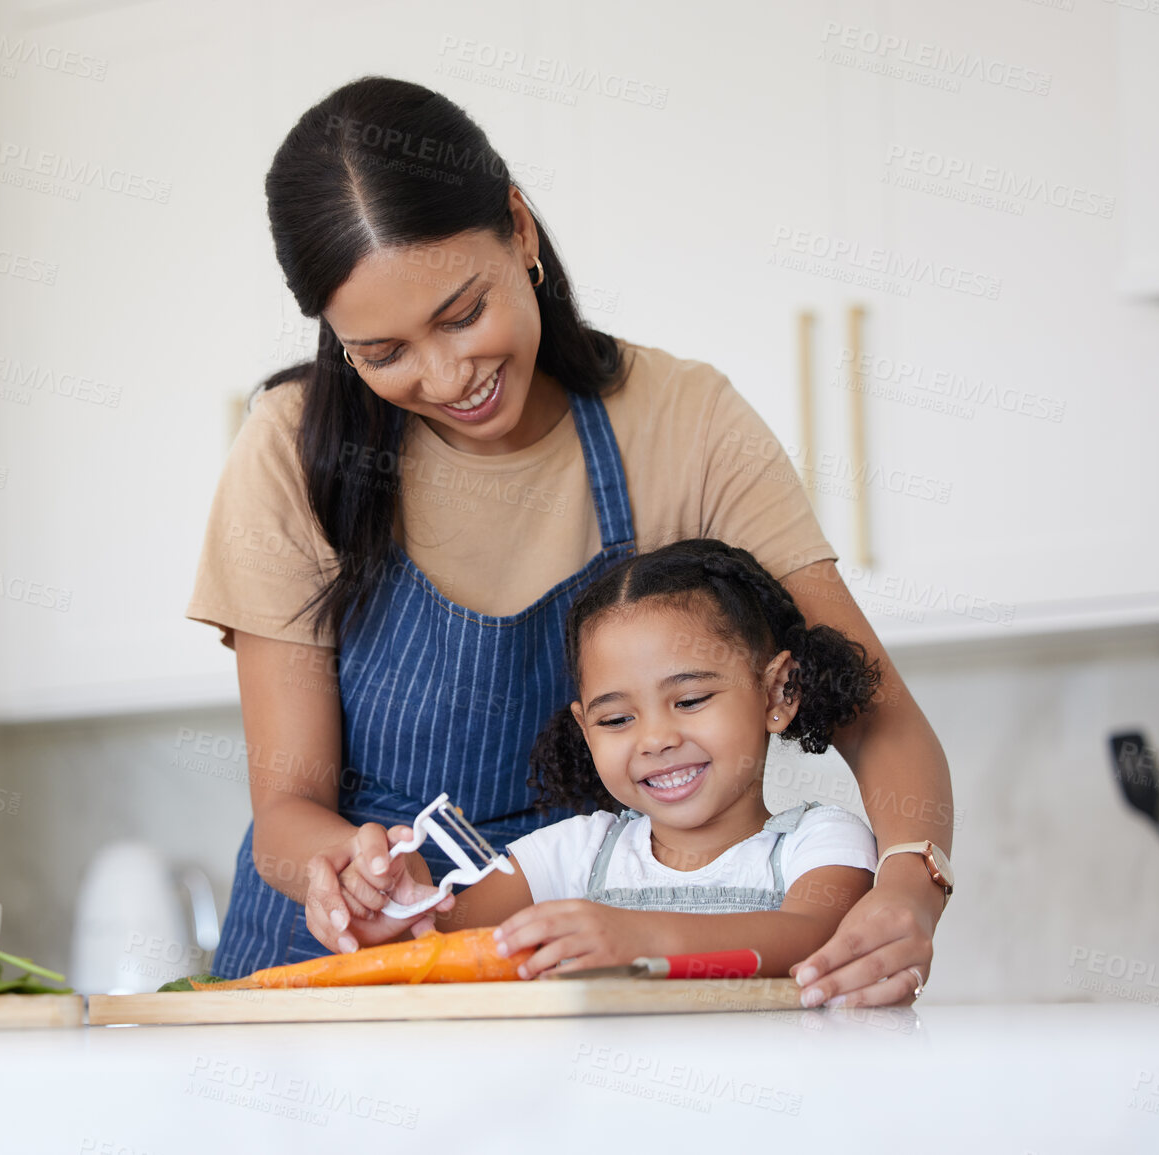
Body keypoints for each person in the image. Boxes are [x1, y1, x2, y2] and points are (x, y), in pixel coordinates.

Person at [185, 76, 954, 1005]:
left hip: (583, 984)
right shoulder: (291, 445)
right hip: (341, 975)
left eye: (463, 313)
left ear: (519, 229)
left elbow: (875, 710)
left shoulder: (682, 421)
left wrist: (912, 886)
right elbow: (285, 810)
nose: (445, 375)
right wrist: (341, 868)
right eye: (382, 353)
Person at [369, 539, 890, 992]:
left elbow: (816, 936)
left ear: (779, 690)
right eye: (617, 719)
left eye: (689, 700)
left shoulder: (819, 842)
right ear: (585, 727)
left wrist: (645, 938)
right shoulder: (573, 854)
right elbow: (439, 945)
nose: (656, 740)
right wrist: (396, 907)